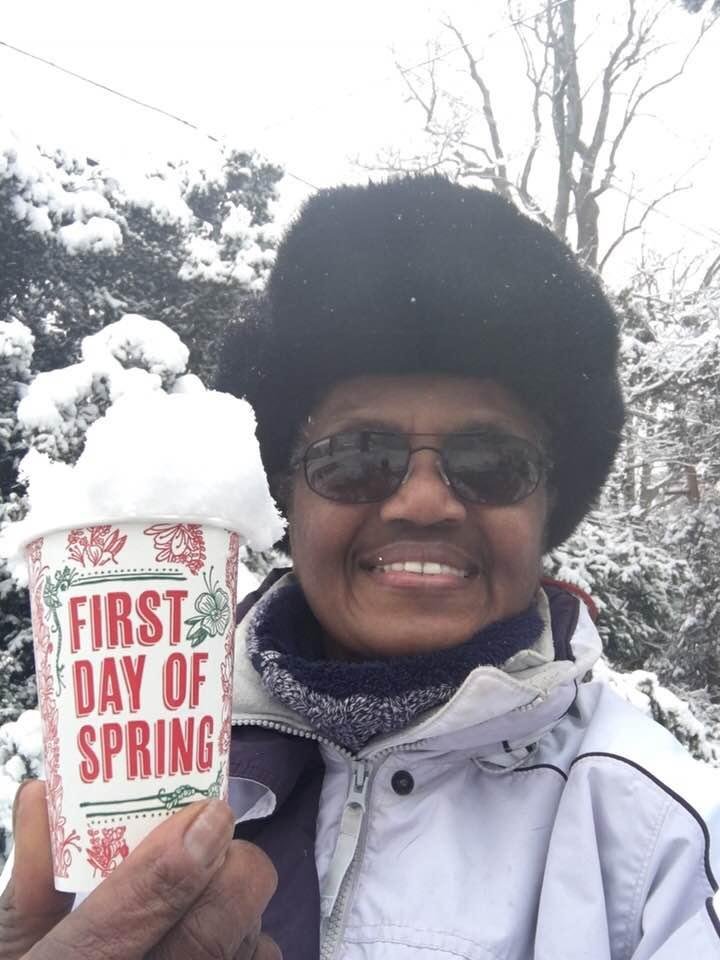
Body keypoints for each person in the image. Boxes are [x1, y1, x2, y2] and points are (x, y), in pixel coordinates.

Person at [2, 174, 719, 959]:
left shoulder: (664, 845)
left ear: (549, 506)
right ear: (284, 494)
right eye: (355, 457)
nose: (424, 502)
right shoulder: (139, 766)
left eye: (490, 462)